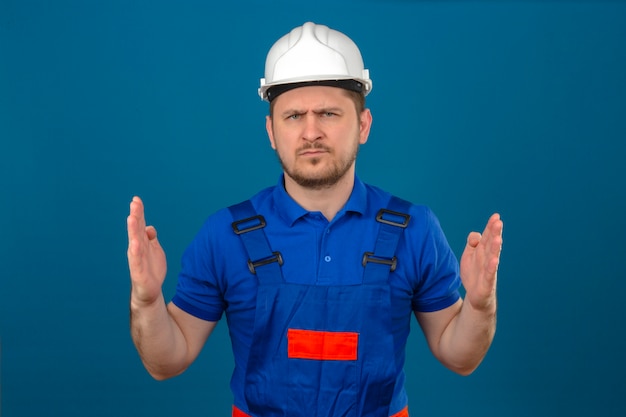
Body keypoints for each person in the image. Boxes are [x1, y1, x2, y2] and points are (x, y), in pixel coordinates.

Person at [127, 22, 503, 417]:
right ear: (271, 131)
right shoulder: (225, 236)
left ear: (363, 125)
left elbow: (460, 357)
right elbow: (165, 362)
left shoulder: (414, 230)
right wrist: (147, 300)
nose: (311, 132)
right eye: (293, 116)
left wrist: (479, 307)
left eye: (328, 113)